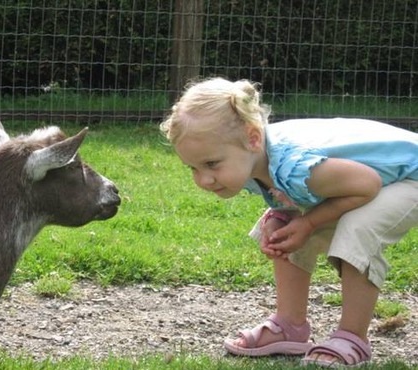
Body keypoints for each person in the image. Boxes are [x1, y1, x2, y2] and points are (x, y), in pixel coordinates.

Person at [159, 77, 418, 367]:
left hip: (410, 174)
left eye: (211, 164)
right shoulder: (252, 155)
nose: (203, 180)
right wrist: (283, 214)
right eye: (193, 168)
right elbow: (298, 195)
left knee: (358, 227)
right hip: (368, 178)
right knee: (283, 227)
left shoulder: (292, 166)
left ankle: (352, 336)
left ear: (253, 138)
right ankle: (290, 326)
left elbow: (367, 184)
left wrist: (308, 224)